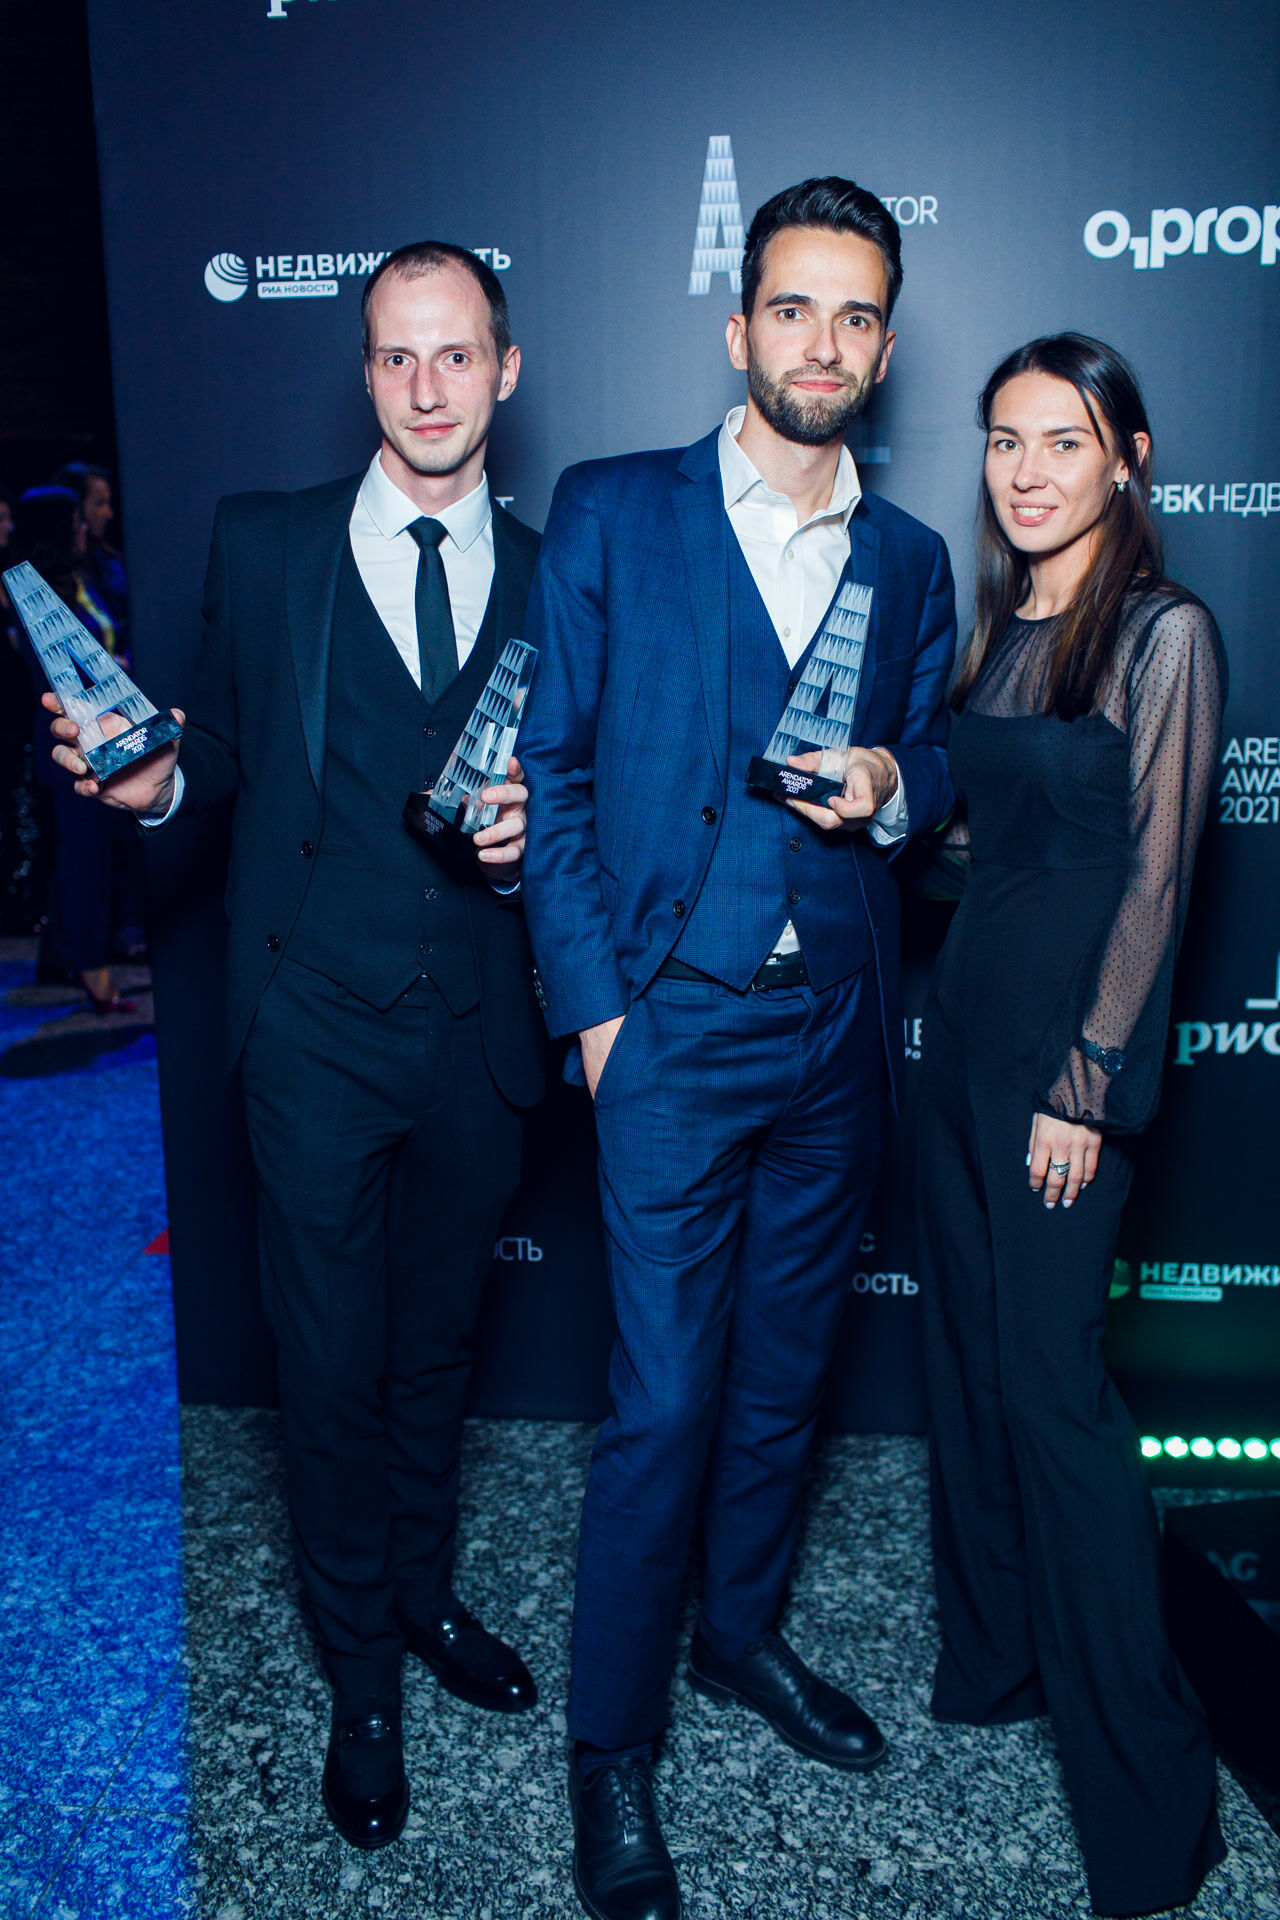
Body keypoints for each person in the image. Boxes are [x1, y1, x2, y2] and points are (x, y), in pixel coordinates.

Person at [48, 242, 547, 1851]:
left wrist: (536, 848)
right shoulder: (266, 543)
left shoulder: (564, 575)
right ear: (366, 372)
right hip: (312, 1034)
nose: (426, 387)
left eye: (455, 355)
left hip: (478, 1034)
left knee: (437, 1353)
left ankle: (421, 1591)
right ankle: (362, 1679)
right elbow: (217, 758)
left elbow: (588, 813)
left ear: (505, 370)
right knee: (326, 1371)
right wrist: (156, 787)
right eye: (397, 356)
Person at [519, 178, 957, 1920]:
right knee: (664, 1403)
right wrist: (600, 1020)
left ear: (885, 347)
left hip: (836, 1033)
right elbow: (553, 770)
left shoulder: (910, 561)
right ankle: (610, 1748)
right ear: (738, 327)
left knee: (786, 1375)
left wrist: (900, 781)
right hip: (670, 1032)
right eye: (793, 308)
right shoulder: (615, 509)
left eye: (855, 315)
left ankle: (742, 1637)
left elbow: (936, 758)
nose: (822, 344)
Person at [916, 333, 1226, 1917]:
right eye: (1004, 440)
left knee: (1052, 1400)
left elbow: (1155, 880)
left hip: (1060, 1072)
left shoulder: (1164, 634)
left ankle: (1153, 1801)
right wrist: (881, 804)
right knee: (971, 1374)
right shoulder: (1006, 621)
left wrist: (1087, 1088)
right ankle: (999, 1667)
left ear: (1128, 459)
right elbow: (1005, 840)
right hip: (961, 1047)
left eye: (1063, 440)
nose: (1026, 470)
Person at [18, 486, 135, 1009]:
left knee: (99, 853)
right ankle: (90, 970)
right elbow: (56, 673)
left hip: (109, 731)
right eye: (77, 522)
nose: (86, 528)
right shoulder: (33, 594)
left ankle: (81, 961)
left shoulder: (87, 579)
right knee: (84, 857)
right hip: (71, 737)